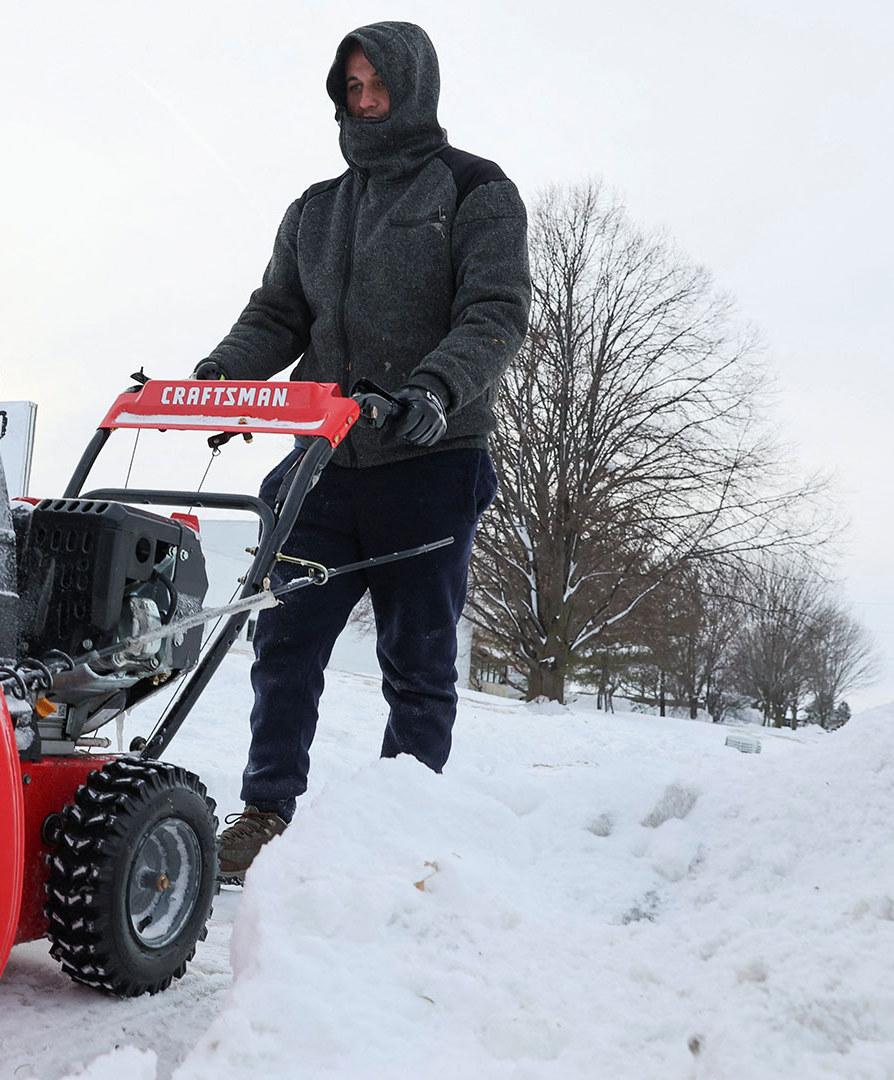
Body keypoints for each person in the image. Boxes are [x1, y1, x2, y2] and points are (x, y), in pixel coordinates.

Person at [194, 21, 530, 881]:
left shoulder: (475, 191)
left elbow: (493, 312)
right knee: (284, 647)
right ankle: (266, 813)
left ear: (414, 85)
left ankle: (399, 830)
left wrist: (431, 390)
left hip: (429, 462)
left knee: (416, 661)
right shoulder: (315, 208)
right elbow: (277, 314)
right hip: (323, 466)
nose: (364, 97)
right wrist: (223, 378)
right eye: (351, 85)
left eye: (377, 82)